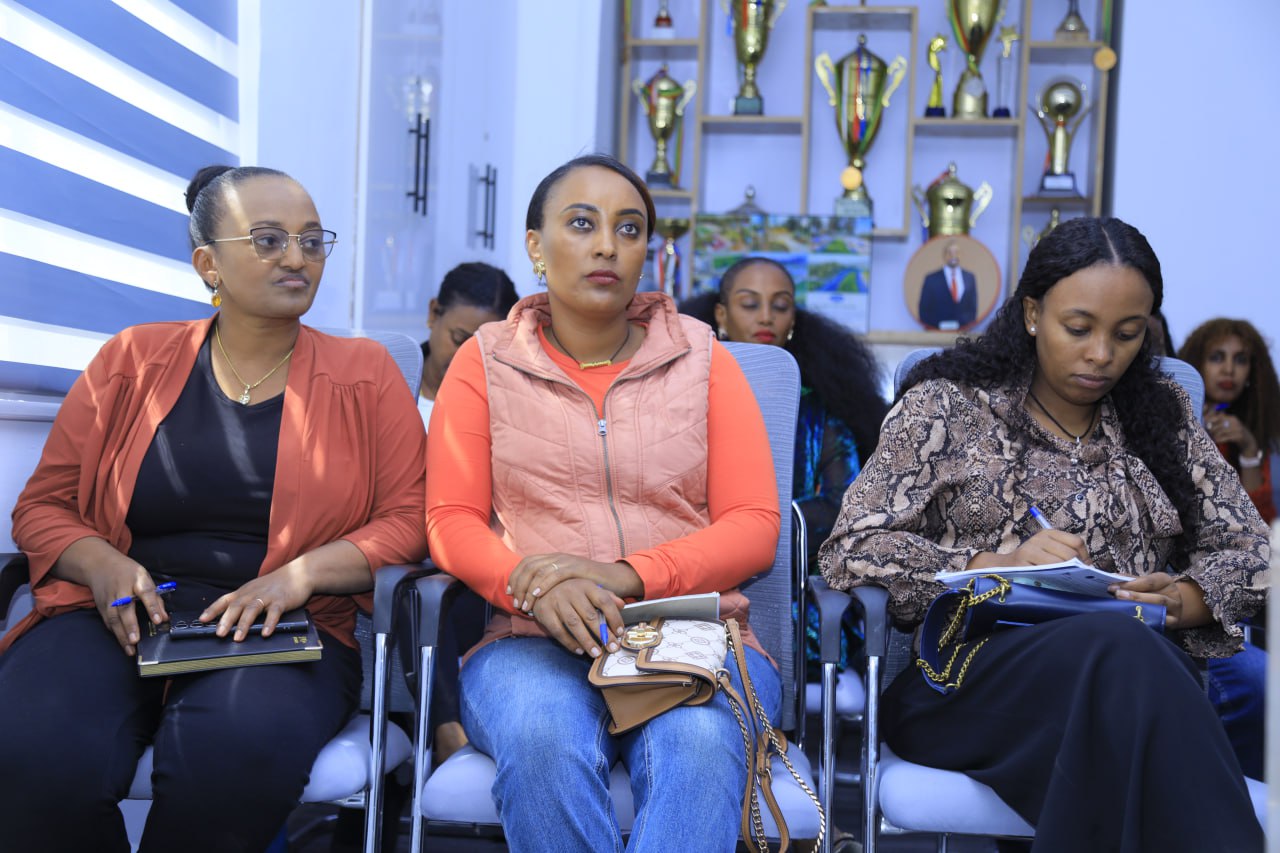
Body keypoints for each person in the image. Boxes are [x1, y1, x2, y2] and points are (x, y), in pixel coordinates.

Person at [0, 165, 427, 852]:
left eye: (312, 241)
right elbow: (44, 506)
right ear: (208, 265)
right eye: (268, 239)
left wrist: (300, 576)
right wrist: (103, 565)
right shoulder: (131, 359)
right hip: (119, 614)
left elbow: (409, 518)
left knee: (228, 756)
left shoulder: (366, 373)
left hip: (280, 625)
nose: (297, 258)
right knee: (32, 749)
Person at [820, 216, 1267, 852]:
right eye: (1079, 328)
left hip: (1132, 676)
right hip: (968, 679)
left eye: (1128, 334)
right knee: (1127, 663)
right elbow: (851, 549)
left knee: (1129, 681)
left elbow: (1253, 554)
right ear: (1033, 313)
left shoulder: (1162, 414)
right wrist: (993, 563)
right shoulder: (947, 406)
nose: (1102, 354)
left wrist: (1182, 599)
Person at [426, 154, 782, 852]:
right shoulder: (485, 360)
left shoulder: (704, 358)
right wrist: (531, 587)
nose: (607, 246)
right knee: (542, 739)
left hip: (691, 636)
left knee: (700, 748)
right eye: (582, 224)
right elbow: (449, 521)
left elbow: (754, 527)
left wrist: (623, 575)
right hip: (528, 639)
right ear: (535, 245)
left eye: (629, 228)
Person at [680, 259, 888, 679]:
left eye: (780, 306)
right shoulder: (681, 397)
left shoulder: (823, 409)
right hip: (691, 587)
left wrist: (753, 526)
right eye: (749, 303)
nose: (765, 317)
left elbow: (844, 506)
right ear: (720, 315)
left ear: (793, 319)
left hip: (795, 598)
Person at [1178, 318, 1280, 525]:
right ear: (1197, 364)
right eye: (1217, 358)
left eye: (1240, 360)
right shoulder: (1171, 418)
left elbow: (1259, 524)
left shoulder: (1261, 431)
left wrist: (1249, 450)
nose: (1229, 369)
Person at [418, 261, 519, 426]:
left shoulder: (508, 412)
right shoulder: (392, 384)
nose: (466, 356)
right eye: (459, 339)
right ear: (434, 314)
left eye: (484, 349)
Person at [918, 239, 977, 330]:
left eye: (956, 252)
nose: (953, 255)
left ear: (961, 254)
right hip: (937, 332)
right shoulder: (931, 279)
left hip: (963, 332)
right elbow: (924, 310)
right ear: (944, 255)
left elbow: (972, 307)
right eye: (949, 252)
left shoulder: (970, 277)